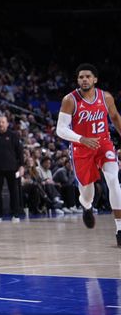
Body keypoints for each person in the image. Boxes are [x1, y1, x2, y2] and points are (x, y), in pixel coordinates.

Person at [55, 63, 121, 246]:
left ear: (95, 79)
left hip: (103, 144)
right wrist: (81, 139)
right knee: (87, 194)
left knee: (114, 179)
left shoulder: (105, 97)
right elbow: (60, 130)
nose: (84, 79)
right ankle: (87, 207)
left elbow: (115, 118)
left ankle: (120, 229)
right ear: (78, 80)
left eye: (87, 76)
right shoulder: (70, 100)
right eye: (81, 77)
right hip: (81, 149)